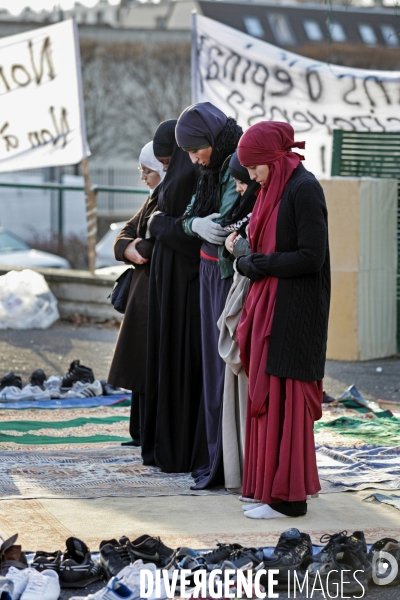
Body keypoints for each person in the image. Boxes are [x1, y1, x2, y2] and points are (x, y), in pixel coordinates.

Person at [236, 121, 330, 519]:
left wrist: (258, 263)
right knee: (269, 400)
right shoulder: (274, 188)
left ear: (273, 160)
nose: (252, 176)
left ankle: (288, 500)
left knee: (285, 403)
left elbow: (312, 256)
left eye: (255, 167)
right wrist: (246, 255)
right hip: (273, 305)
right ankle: (266, 489)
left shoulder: (304, 189)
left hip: (294, 312)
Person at [176, 102, 243, 489]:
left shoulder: (236, 160)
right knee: (210, 368)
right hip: (207, 271)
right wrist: (196, 225)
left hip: (225, 274)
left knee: (224, 368)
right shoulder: (206, 169)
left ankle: (227, 462)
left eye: (195, 149)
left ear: (211, 140)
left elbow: (234, 215)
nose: (193, 159)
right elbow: (188, 217)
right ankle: (214, 454)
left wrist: (211, 226)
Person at [141, 119, 204, 473]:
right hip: (171, 289)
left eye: (167, 163)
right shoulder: (178, 182)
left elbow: (186, 232)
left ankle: (177, 448)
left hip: (185, 291)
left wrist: (159, 224)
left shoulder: (191, 178)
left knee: (182, 363)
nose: (166, 170)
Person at [108, 141, 165, 446]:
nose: (143, 177)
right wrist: (129, 247)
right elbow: (124, 235)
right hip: (142, 294)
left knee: (149, 367)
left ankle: (147, 433)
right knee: (139, 368)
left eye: (148, 171)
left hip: (155, 293)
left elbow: (150, 245)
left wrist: (135, 247)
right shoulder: (152, 198)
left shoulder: (169, 197)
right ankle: (139, 432)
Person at [217, 151, 260, 492]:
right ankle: (242, 470)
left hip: (257, 309)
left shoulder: (270, 204)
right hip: (246, 302)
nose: (240, 189)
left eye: (241, 182)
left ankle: (253, 472)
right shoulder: (251, 207)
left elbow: (264, 254)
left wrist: (238, 248)